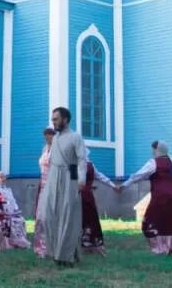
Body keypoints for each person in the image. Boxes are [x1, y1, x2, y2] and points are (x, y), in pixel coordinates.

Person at [120, 140, 172, 255]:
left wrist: (124, 185)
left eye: (153, 149)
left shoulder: (153, 163)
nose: (152, 151)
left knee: (150, 222)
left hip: (159, 196)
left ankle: (160, 248)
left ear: (157, 150)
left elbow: (138, 175)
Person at [39, 107, 87, 267]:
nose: (53, 122)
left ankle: (65, 255)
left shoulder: (75, 137)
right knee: (47, 214)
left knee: (68, 214)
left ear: (65, 119)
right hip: (53, 176)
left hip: (70, 174)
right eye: (52, 119)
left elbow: (81, 160)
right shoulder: (56, 138)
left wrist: (80, 180)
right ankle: (54, 250)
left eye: (56, 119)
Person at [81, 156, 118, 255]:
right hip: (88, 196)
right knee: (92, 220)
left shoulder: (75, 164)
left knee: (81, 220)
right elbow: (100, 176)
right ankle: (94, 245)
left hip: (78, 196)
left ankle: (84, 245)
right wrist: (113, 185)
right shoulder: (90, 165)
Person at [0, 171, 30, 250]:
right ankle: (8, 243)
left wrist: (15, 210)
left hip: (9, 212)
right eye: (1, 177)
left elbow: (13, 201)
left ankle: (19, 241)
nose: (3, 179)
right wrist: (0, 212)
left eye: (4, 177)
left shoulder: (6, 189)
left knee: (20, 219)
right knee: (9, 221)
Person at [33, 127, 55, 258]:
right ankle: (40, 248)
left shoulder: (58, 150)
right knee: (40, 217)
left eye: (50, 135)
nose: (47, 138)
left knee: (50, 217)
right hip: (43, 185)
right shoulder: (44, 149)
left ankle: (52, 247)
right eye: (46, 135)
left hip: (53, 186)